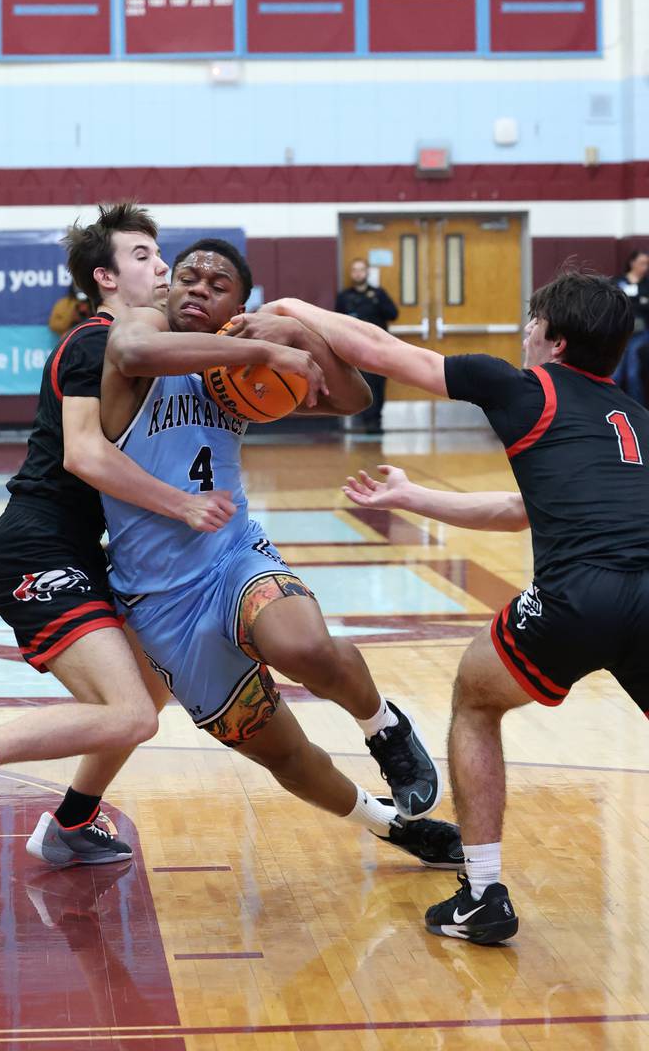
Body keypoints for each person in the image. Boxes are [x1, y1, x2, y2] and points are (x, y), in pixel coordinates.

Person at [261, 269, 648, 944]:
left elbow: (381, 352)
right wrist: (412, 498)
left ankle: (483, 893)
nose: (525, 333)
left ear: (554, 341)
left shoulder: (521, 387)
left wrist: (295, 304)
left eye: (533, 324)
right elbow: (516, 509)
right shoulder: (637, 421)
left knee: (475, 697)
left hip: (579, 597)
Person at [94, 237, 461, 872]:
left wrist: (294, 332)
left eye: (218, 284)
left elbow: (354, 398)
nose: (198, 289)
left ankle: (386, 729)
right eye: (188, 277)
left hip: (230, 556)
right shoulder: (142, 333)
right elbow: (128, 349)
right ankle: (390, 825)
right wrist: (264, 344)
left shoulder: (240, 369)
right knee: (285, 755)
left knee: (305, 648)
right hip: (158, 606)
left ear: (239, 303)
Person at [0, 203, 236, 868]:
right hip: (35, 546)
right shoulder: (94, 340)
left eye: (161, 254)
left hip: (86, 551)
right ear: (104, 277)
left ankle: (71, 825)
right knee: (131, 713)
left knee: (152, 688)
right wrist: (183, 507)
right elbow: (84, 456)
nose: (161, 267)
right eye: (142, 257)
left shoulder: (150, 347)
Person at [335, 258, 399, 433]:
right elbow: (335, 322)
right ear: (351, 273)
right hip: (355, 349)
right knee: (364, 384)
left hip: (379, 348)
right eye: (354, 270)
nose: (358, 273)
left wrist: (377, 303)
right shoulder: (344, 297)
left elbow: (393, 314)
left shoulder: (378, 294)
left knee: (379, 384)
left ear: (367, 272)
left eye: (361, 269)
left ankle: (377, 420)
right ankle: (369, 422)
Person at [613, 248, 649, 403]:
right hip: (620, 333)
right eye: (642, 263)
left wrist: (636, 302)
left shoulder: (646, 284)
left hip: (641, 334)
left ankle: (637, 409)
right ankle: (610, 405)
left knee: (633, 373)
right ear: (632, 262)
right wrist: (640, 301)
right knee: (616, 374)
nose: (645, 267)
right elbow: (615, 305)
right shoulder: (618, 282)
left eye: (647, 264)